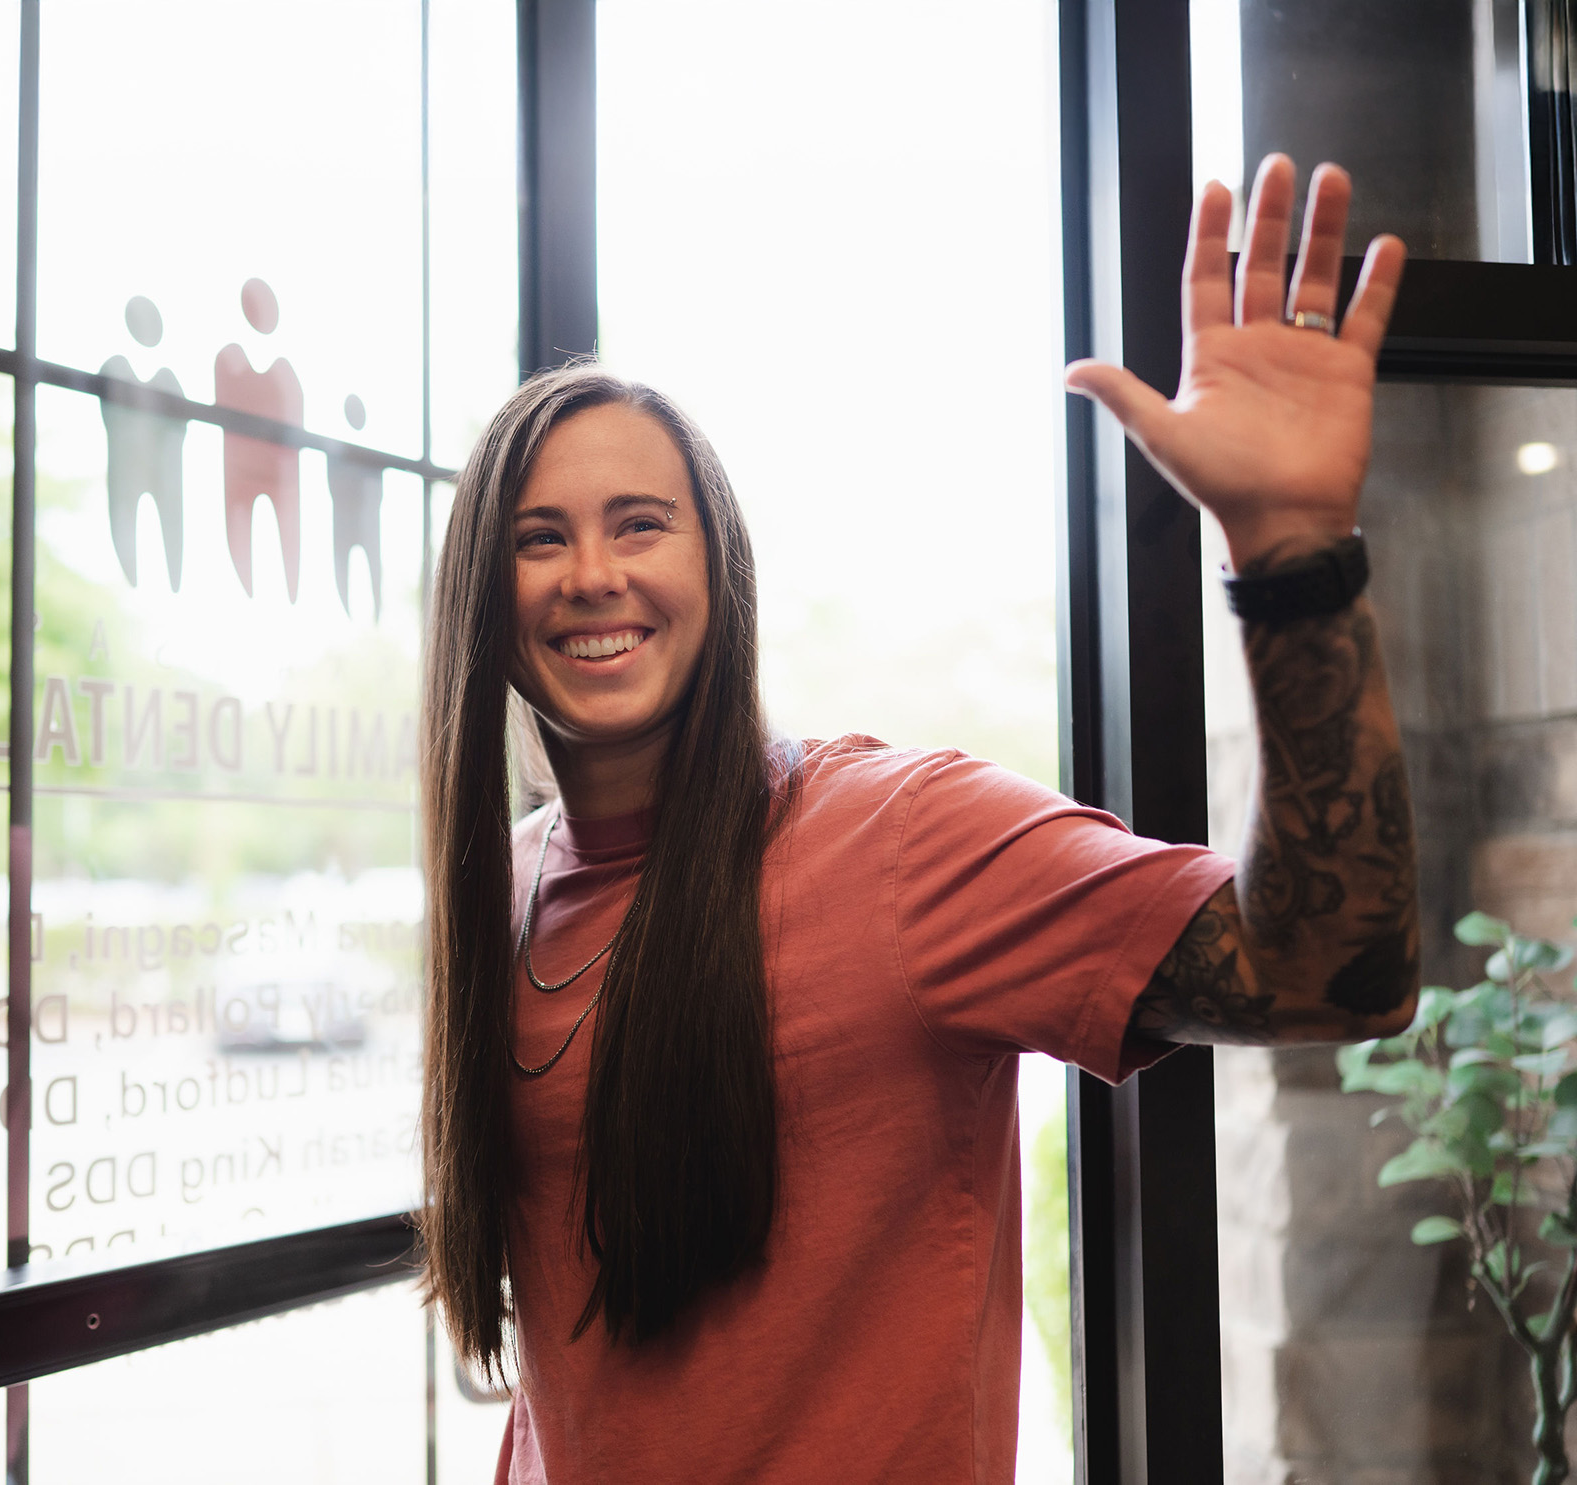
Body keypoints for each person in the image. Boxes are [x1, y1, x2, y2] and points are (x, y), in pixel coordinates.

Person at [418, 155, 1416, 1483]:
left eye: (639, 522)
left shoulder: (898, 838)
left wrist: (1293, 560)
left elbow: (1328, 969)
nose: (593, 572)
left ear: (718, 566)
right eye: (540, 537)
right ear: (486, 594)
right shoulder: (511, 895)